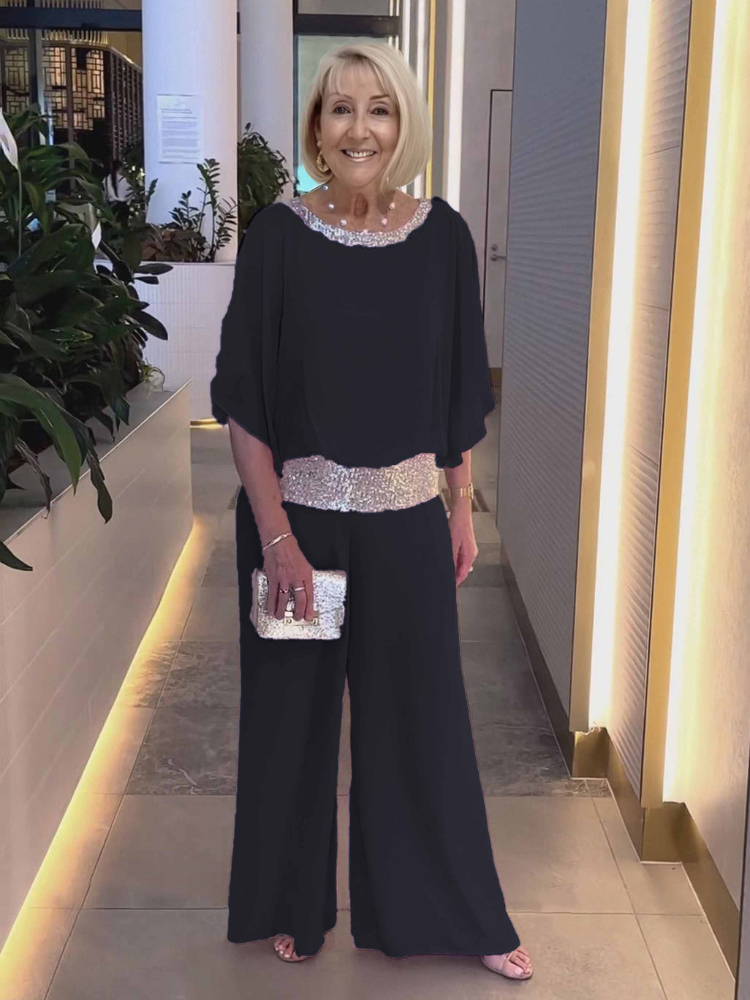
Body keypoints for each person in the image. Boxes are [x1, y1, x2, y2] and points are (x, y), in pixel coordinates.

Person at [209, 41, 534, 982]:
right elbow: (245, 405)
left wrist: (460, 508)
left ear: (404, 125)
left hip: (405, 522)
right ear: (317, 128)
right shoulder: (277, 239)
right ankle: (291, 904)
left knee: (423, 720)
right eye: (341, 109)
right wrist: (278, 541)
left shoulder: (442, 238)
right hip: (297, 525)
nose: (361, 129)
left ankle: (452, 914)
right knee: (292, 722)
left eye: (379, 108)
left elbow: (455, 388)